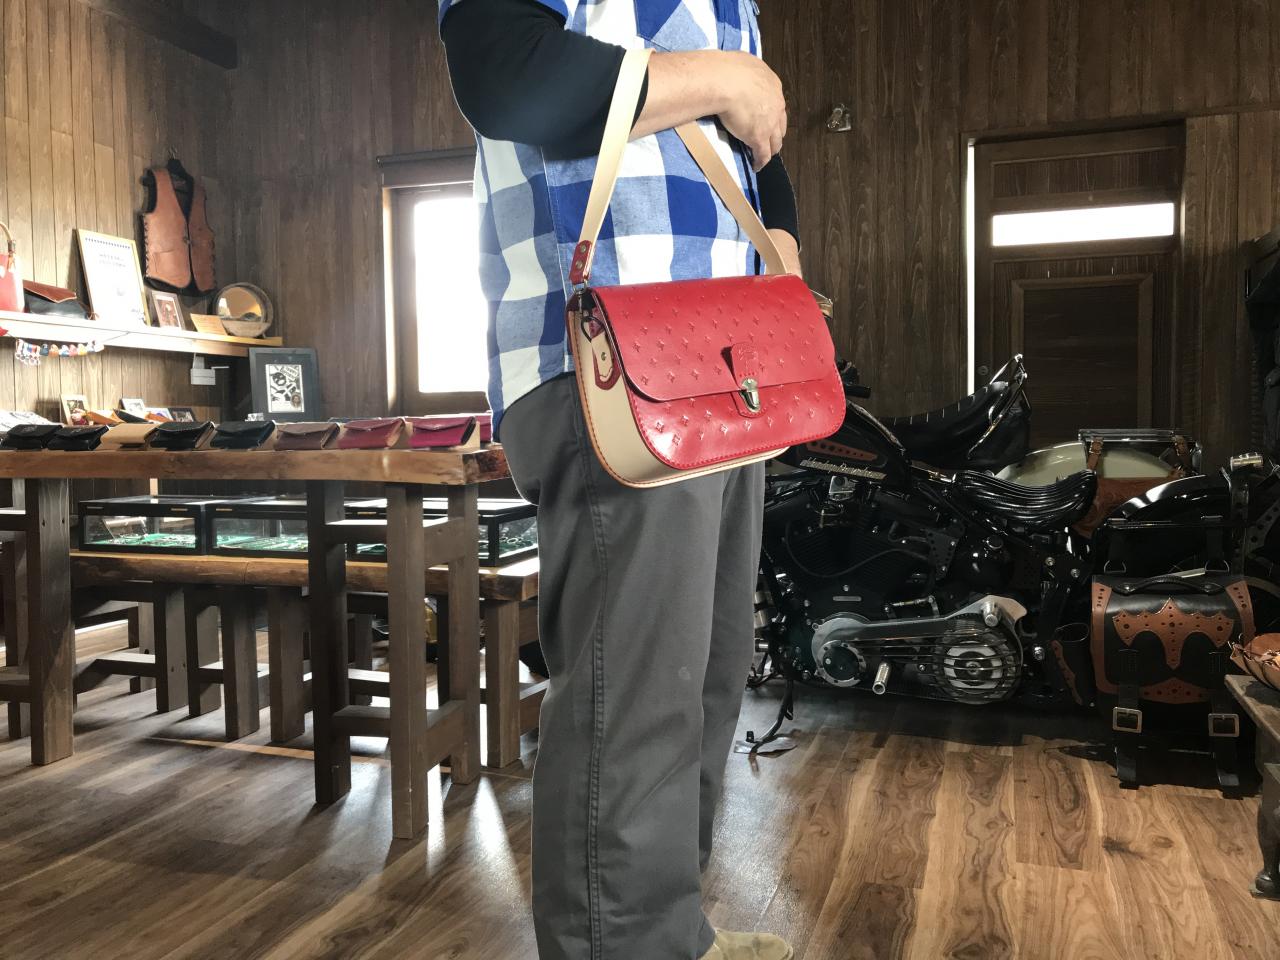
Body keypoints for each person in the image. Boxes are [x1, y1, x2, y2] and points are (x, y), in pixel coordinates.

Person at [438, 3, 801, 958]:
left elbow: (752, 152)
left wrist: (779, 230)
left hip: (723, 357)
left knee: (704, 681)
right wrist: (726, 78)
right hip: (615, 356)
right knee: (635, 705)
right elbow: (507, 72)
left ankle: (668, 934)